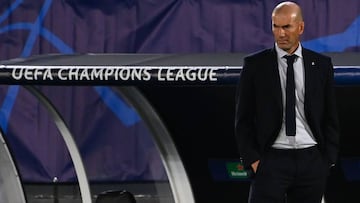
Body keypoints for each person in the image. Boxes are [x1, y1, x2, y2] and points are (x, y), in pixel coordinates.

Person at [235, 1, 340, 203]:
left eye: (287, 27)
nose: (281, 33)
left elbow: (330, 115)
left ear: (300, 27)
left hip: (311, 159)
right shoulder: (255, 65)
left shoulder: (321, 65)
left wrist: (327, 160)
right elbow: (243, 119)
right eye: (276, 26)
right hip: (271, 160)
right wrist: (253, 160)